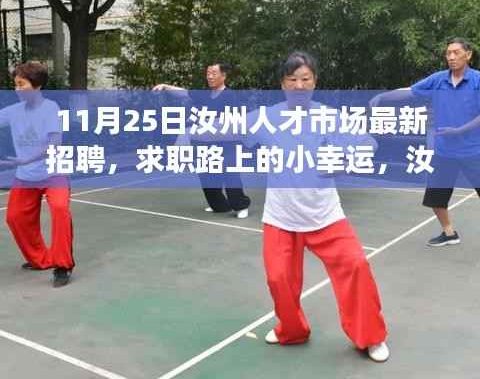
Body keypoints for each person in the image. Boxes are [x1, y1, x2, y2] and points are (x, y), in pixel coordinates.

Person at [195, 52, 389, 361]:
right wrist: (187, 132)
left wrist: (344, 163)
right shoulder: (267, 118)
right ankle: (292, 330)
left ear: (315, 82)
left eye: (305, 79)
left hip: (325, 215)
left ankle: (370, 337)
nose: (299, 85)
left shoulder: (329, 117)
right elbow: (224, 127)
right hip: (281, 216)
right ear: (283, 84)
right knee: (279, 279)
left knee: (356, 266)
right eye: (292, 79)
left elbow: (368, 144)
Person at [370, 37, 480, 247]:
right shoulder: (438, 80)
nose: (451, 57)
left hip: (473, 151)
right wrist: (383, 96)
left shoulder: (477, 81)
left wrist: (459, 130)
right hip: (444, 151)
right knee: (436, 198)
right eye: (448, 53)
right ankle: (449, 233)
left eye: (456, 52)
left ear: (468, 55)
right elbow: (410, 91)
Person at [0, 62, 74, 287]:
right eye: (15, 84)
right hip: (26, 176)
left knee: (60, 210)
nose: (17, 89)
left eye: (21, 84)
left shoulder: (51, 108)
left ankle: (62, 265)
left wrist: (26, 159)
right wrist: (25, 163)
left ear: (37, 85)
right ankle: (41, 259)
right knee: (15, 217)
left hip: (53, 173)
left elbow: (54, 143)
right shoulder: (13, 111)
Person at [153, 63, 251, 218]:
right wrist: (165, 86)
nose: (210, 76)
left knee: (230, 176)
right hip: (205, 144)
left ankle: (241, 206)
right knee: (207, 177)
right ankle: (219, 206)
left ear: (223, 76)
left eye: (214, 73)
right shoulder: (204, 94)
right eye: (208, 73)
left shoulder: (230, 96)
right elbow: (184, 93)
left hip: (226, 144)